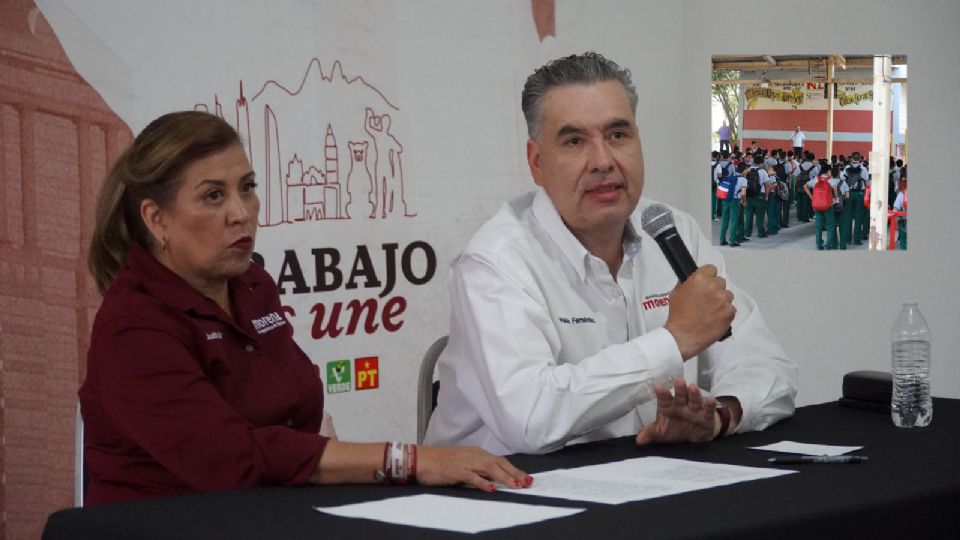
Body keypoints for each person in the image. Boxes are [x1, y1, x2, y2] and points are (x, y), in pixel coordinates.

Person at [80, 111, 531, 506]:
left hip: (275, 511)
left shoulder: (251, 285)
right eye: (213, 196)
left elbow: (295, 414)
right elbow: (234, 459)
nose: (241, 212)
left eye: (248, 188)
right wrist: (408, 459)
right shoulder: (133, 327)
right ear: (156, 219)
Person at [424, 52, 797, 455]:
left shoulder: (674, 232)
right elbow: (531, 419)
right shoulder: (496, 260)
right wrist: (675, 340)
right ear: (537, 163)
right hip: (503, 496)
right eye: (575, 141)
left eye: (618, 135)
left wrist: (719, 416)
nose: (602, 161)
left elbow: (767, 366)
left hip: (645, 481)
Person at [805, 165, 840, 250]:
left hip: (817, 205)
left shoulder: (816, 179)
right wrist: (836, 198)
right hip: (828, 204)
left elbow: (805, 186)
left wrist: (811, 196)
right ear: (828, 171)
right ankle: (828, 244)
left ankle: (819, 244)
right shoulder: (830, 180)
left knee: (819, 226)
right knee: (830, 225)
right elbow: (835, 188)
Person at [841, 152, 869, 245]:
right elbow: (867, 181)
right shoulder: (863, 168)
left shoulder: (846, 168)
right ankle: (856, 239)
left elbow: (843, 179)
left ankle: (848, 239)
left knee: (848, 216)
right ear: (860, 159)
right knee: (858, 216)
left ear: (851, 158)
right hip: (859, 194)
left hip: (849, 193)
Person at [719, 161, 748, 247]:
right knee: (734, 220)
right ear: (744, 170)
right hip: (734, 201)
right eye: (746, 168)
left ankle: (722, 240)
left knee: (724, 220)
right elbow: (743, 193)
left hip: (725, 199)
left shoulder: (730, 175)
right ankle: (732, 240)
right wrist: (743, 201)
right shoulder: (743, 179)